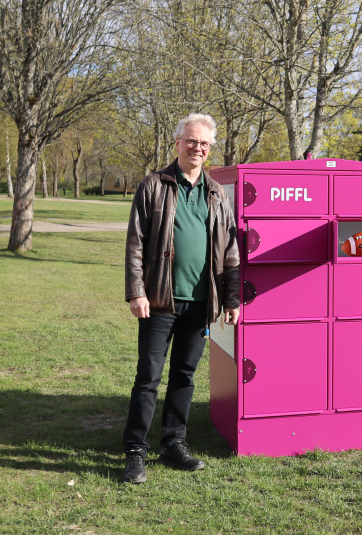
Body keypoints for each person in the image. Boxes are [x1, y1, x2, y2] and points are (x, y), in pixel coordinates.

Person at [121, 113, 240, 484]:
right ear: (178, 142)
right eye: (192, 141)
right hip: (159, 300)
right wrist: (136, 291)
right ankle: (134, 452)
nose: (198, 148)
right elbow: (135, 242)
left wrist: (233, 299)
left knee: (184, 376)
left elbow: (231, 250)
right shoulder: (154, 185)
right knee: (148, 377)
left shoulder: (217, 193)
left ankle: (173, 443)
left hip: (201, 302)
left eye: (204, 143)